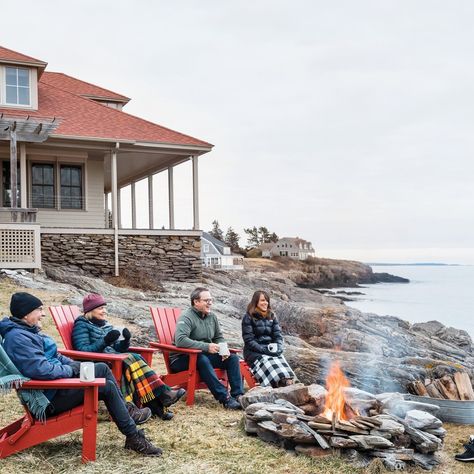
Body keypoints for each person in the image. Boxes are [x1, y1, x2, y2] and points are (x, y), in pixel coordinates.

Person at [0, 292, 162, 456]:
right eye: (39, 310)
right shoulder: (18, 338)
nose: (43, 314)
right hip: (49, 398)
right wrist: (71, 371)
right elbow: (41, 370)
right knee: (107, 387)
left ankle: (127, 413)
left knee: (101, 368)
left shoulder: (27, 331)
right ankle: (133, 436)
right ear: (26, 313)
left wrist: (76, 365)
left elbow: (56, 356)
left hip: (55, 388)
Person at [72, 293, 185, 420]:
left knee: (133, 361)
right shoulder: (82, 325)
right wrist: (105, 340)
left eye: (105, 307)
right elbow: (82, 350)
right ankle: (160, 396)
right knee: (132, 359)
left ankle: (157, 403)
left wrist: (125, 340)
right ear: (90, 310)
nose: (104, 311)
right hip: (97, 363)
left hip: (112, 358)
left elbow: (117, 349)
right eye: (100, 308)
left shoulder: (105, 325)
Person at [170, 287, 244, 409]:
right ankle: (224, 398)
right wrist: (206, 346)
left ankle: (238, 396)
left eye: (211, 300)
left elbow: (218, 337)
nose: (210, 303)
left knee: (233, 358)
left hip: (202, 356)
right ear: (196, 302)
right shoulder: (186, 317)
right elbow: (180, 340)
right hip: (181, 359)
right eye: (206, 300)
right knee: (202, 359)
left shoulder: (212, 317)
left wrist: (224, 350)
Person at [242, 290, 296, 388]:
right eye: (262, 300)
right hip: (253, 352)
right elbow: (249, 340)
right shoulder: (248, 317)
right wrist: (263, 350)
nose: (265, 303)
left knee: (280, 358)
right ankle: (276, 385)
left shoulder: (272, 316)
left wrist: (279, 348)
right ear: (256, 302)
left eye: (267, 300)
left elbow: (278, 336)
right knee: (267, 360)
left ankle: (287, 383)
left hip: (270, 349)